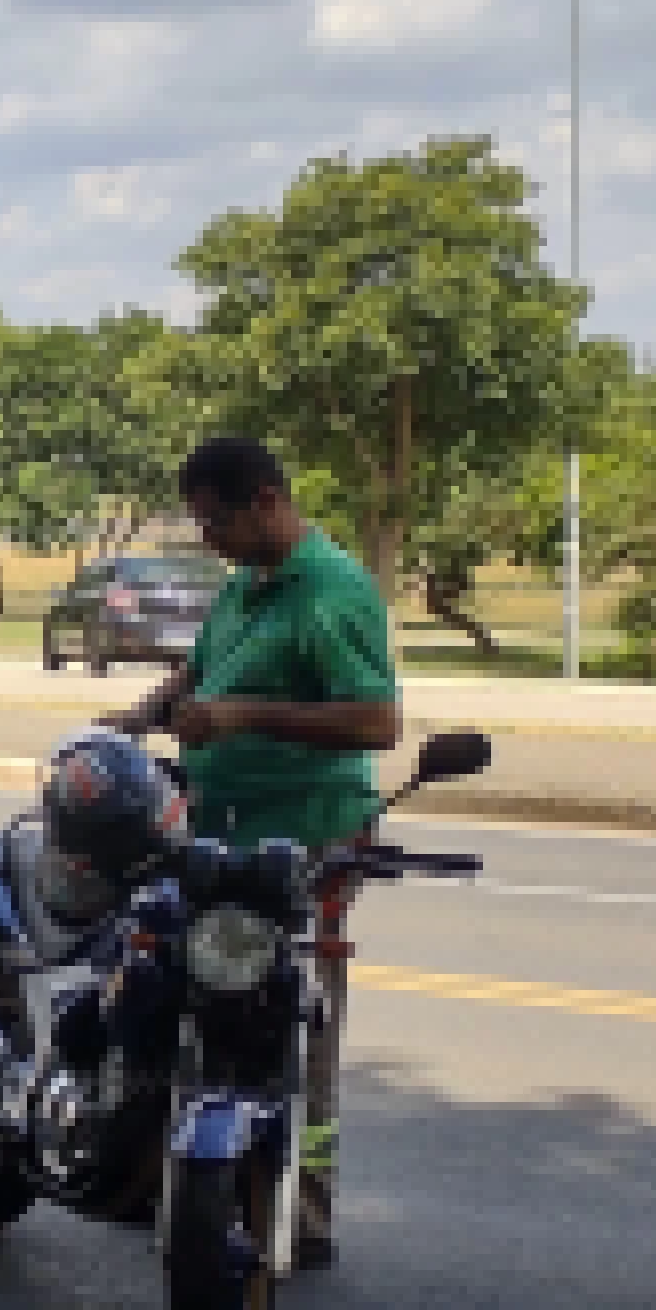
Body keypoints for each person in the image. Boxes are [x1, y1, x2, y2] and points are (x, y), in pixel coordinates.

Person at [111, 434, 401, 1268]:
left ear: (266, 503)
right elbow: (195, 679)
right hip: (218, 827)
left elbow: (376, 722)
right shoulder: (247, 585)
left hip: (307, 834)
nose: (208, 539)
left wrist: (243, 717)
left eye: (214, 520)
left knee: (294, 1015)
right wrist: (132, 723)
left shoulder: (332, 593)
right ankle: (169, 1172)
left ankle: (301, 1208)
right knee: (185, 985)